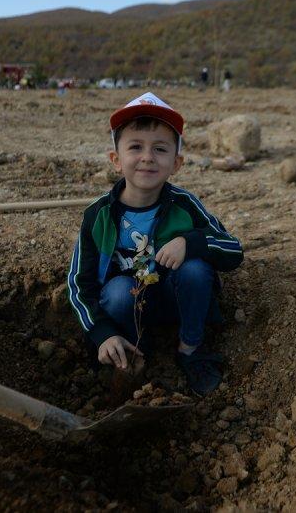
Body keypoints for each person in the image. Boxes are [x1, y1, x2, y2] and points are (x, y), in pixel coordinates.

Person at [67, 92, 243, 396]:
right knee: (119, 292)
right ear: (116, 160)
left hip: (176, 299)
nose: (148, 157)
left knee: (195, 269)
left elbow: (233, 249)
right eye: (135, 147)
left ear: (176, 163)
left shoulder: (184, 205)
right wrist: (101, 333)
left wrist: (189, 242)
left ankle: (190, 349)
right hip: (128, 309)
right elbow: (78, 284)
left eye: (160, 149)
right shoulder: (99, 214)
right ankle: (134, 351)